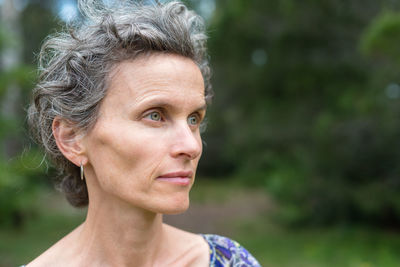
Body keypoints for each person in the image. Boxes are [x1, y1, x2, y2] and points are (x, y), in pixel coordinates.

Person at [25, 0, 261, 266]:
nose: (192, 146)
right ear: (72, 138)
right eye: (155, 115)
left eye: (194, 119)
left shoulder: (231, 261)